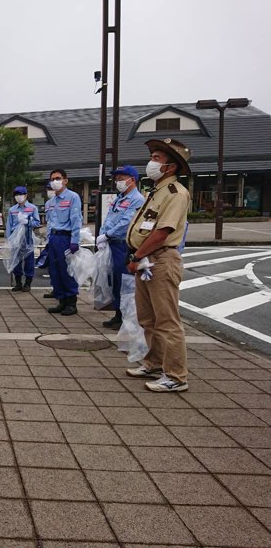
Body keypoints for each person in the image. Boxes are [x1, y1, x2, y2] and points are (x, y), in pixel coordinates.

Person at [125, 138, 192, 393]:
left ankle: (176, 376)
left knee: (167, 321)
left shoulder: (176, 193)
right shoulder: (156, 191)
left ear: (170, 167)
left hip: (161, 259)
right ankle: (154, 363)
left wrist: (136, 256)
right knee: (148, 318)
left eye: (156, 158)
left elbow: (162, 232)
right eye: (152, 157)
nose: (151, 162)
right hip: (147, 260)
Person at [96, 166, 145, 329]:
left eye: (121, 179)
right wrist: (103, 235)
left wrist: (107, 235)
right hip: (113, 244)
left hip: (123, 246)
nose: (118, 182)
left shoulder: (137, 199)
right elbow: (109, 218)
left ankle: (126, 317)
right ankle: (118, 314)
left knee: (125, 282)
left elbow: (126, 223)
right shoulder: (119, 198)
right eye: (116, 179)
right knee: (115, 281)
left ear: (132, 180)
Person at [44, 169, 82, 315]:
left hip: (65, 238)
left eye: (58, 178)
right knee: (55, 271)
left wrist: (75, 240)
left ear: (65, 180)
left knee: (67, 271)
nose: (55, 181)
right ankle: (61, 300)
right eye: (52, 179)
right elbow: (49, 222)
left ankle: (71, 302)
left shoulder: (73, 197)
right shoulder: (51, 202)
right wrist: (48, 240)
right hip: (54, 238)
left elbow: (76, 220)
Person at [6, 186, 41, 292]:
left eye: (20, 194)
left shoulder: (32, 208)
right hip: (15, 238)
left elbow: (37, 222)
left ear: (25, 195)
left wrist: (28, 222)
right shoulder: (12, 210)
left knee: (29, 261)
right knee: (16, 261)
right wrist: (9, 239)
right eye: (16, 195)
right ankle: (18, 283)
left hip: (27, 237)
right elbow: (9, 225)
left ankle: (28, 283)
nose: (18, 196)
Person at [41, 181, 55, 299]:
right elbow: (49, 221)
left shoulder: (70, 198)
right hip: (51, 237)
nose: (50, 191)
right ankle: (55, 288)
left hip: (63, 236)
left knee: (63, 267)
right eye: (48, 189)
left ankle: (68, 297)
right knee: (52, 266)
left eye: (52, 189)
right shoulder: (48, 203)